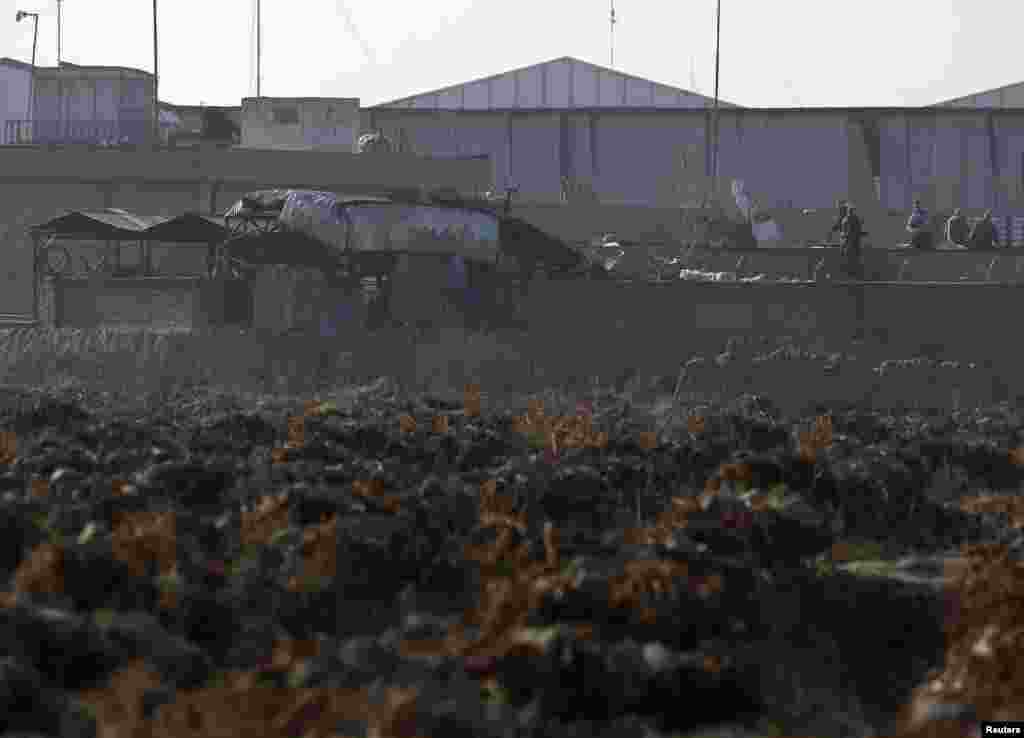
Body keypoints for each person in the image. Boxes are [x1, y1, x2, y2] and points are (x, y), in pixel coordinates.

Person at [839, 203, 864, 280]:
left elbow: (851, 233)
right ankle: (851, 276)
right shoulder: (847, 220)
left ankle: (852, 276)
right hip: (850, 246)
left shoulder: (848, 220)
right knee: (851, 263)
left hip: (850, 246)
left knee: (852, 263)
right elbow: (850, 233)